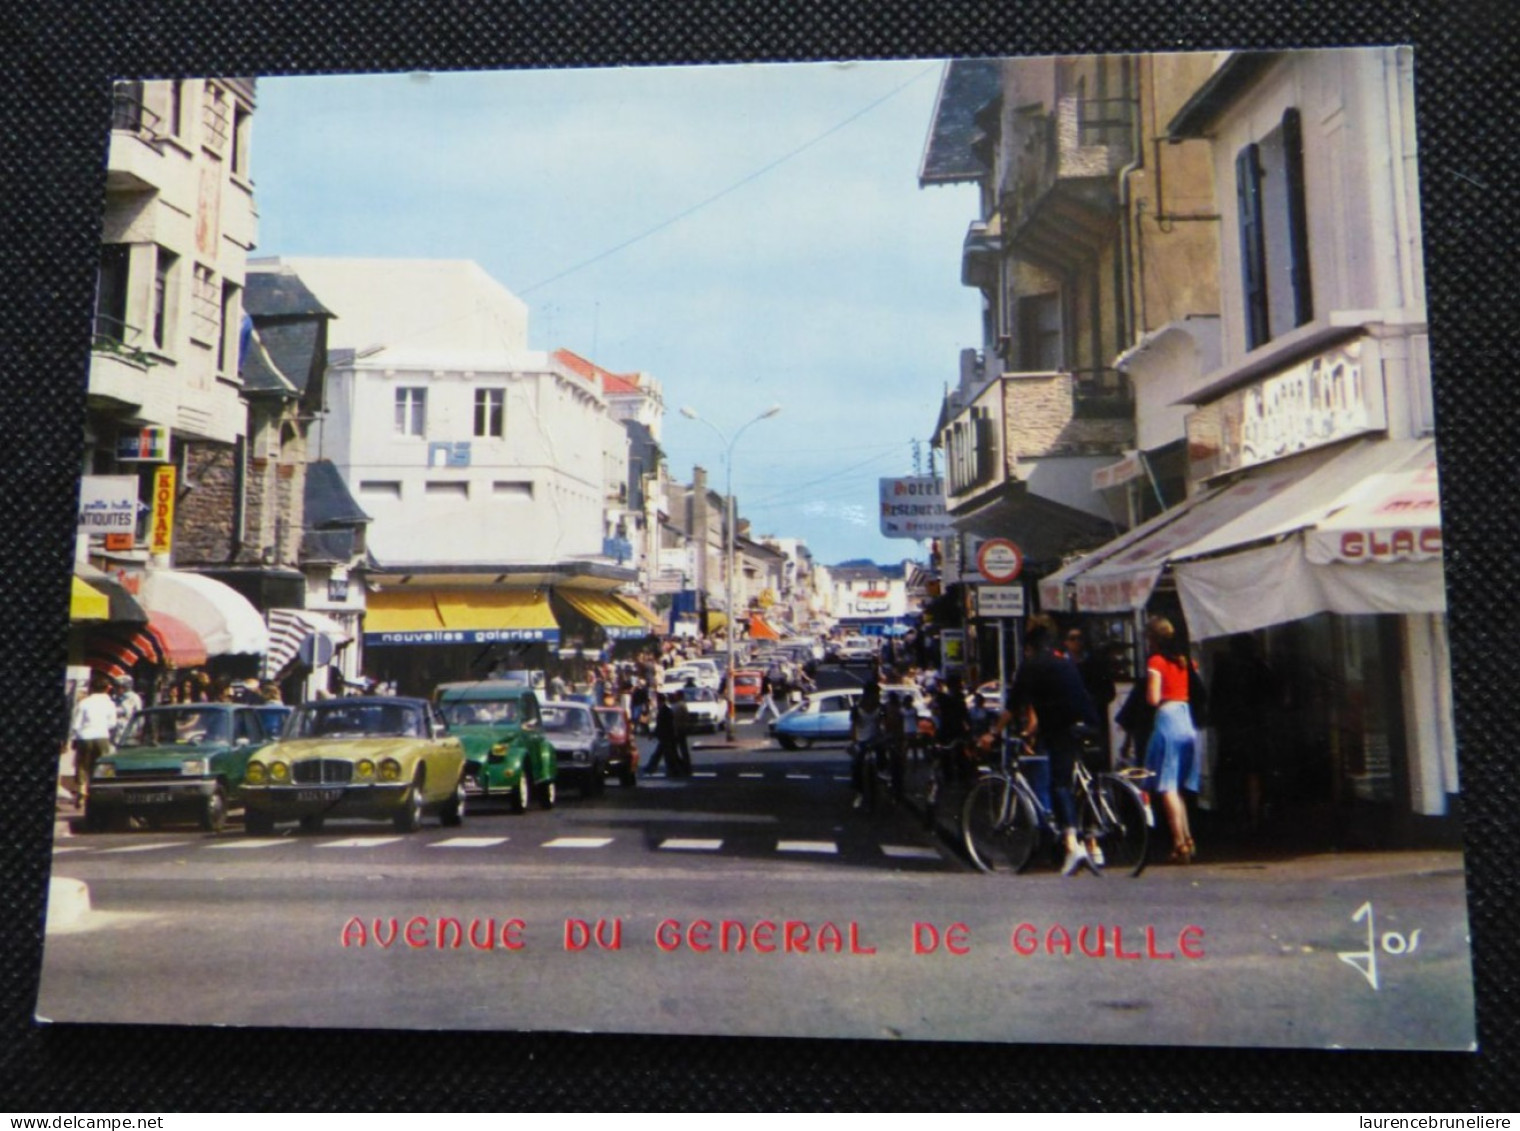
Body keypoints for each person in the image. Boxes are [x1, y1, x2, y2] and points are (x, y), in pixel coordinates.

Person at [984, 615, 1100, 876]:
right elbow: (1053, 697)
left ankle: (1073, 845)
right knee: (1075, 783)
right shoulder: (1063, 660)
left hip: (1063, 729)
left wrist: (992, 733)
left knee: (1059, 785)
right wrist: (1032, 731)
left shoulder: (1032, 665)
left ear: (1029, 643)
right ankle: (1090, 841)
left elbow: (1013, 706)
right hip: (1088, 723)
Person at [1143, 615, 1201, 863]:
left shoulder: (1156, 661)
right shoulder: (1184, 661)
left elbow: (1153, 699)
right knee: (1177, 788)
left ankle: (1179, 843)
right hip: (1186, 720)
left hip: (1167, 721)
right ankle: (1188, 838)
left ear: (1152, 639)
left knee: (1166, 787)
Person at [70, 672, 118, 808]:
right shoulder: (110, 703)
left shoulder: (84, 703)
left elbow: (76, 724)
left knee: (82, 765)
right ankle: (101, 791)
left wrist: (74, 739)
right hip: (102, 736)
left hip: (84, 736)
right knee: (102, 765)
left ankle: (82, 791)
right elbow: (112, 724)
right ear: (107, 688)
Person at [848, 680, 883, 806]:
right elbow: (853, 727)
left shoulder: (880, 707)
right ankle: (859, 792)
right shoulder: (857, 708)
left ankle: (882, 773)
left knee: (883, 753)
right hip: (861, 740)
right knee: (856, 765)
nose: (878, 696)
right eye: (876, 693)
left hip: (875, 739)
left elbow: (880, 724)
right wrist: (854, 742)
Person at [644, 692, 678, 777]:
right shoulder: (664, 710)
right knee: (663, 753)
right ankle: (652, 767)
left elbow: (663, 725)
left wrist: (654, 733)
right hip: (665, 736)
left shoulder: (665, 710)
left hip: (666, 736)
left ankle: (672, 769)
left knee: (667, 754)